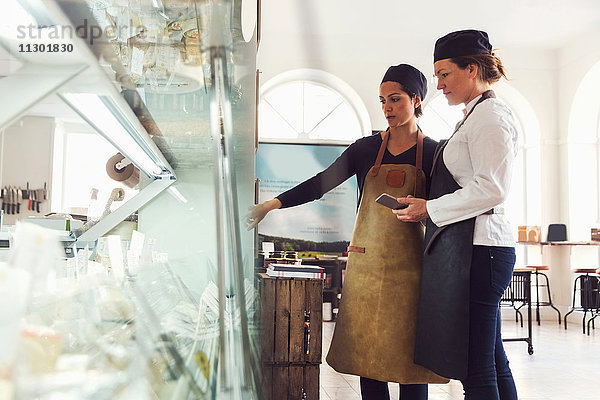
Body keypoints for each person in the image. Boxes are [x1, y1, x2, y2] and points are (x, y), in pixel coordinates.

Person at [247, 64, 448, 399]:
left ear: (415, 100)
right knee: (368, 357)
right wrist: (271, 204)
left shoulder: (434, 152)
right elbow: (319, 185)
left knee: (412, 364)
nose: (387, 108)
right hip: (367, 268)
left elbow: (443, 211)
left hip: (415, 271)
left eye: (395, 100)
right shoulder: (364, 149)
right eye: (383, 100)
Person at [393, 30, 519, 400]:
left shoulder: (491, 116)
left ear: (472, 68)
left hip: (483, 251)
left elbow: (492, 188)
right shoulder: (474, 116)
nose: (439, 84)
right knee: (492, 360)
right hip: (477, 248)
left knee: (475, 366)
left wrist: (430, 208)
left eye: (445, 74)